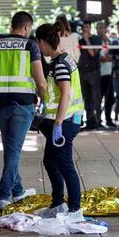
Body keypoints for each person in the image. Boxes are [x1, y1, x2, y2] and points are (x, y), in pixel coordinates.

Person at [0, 11, 47, 211]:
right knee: (13, 152)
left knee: (11, 149)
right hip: (22, 105)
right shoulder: (31, 46)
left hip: (0, 106)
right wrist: (45, 102)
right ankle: (4, 196)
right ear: (27, 27)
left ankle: (18, 190)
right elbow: (41, 81)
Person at [35, 22, 84, 217]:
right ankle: (58, 204)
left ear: (43, 42)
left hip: (65, 122)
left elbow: (65, 94)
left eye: (39, 44)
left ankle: (74, 208)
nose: (39, 48)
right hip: (64, 120)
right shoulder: (62, 60)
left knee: (64, 165)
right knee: (50, 162)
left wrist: (57, 124)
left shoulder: (60, 64)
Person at [78, 20, 102, 129]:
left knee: (96, 98)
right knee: (86, 99)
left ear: (90, 27)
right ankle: (90, 122)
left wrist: (87, 39)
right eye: (83, 27)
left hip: (94, 72)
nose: (85, 29)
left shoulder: (96, 39)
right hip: (83, 72)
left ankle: (98, 121)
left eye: (87, 27)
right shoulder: (80, 40)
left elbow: (92, 53)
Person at [96, 22, 115, 127]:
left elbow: (112, 56)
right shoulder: (95, 41)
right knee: (98, 98)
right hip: (99, 74)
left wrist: (108, 58)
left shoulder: (110, 41)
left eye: (101, 28)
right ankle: (98, 120)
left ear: (105, 29)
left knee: (110, 98)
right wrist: (107, 58)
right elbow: (100, 57)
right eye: (98, 28)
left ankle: (108, 119)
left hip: (109, 73)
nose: (99, 30)